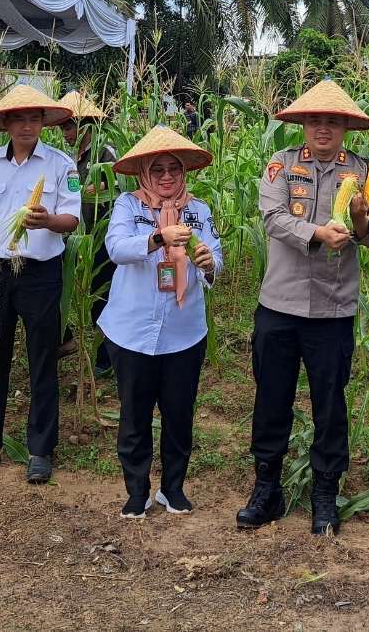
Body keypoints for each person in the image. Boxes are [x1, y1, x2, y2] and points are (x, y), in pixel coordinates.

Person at [237, 79, 369, 534]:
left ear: (345, 127)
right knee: (271, 398)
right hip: (279, 304)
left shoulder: (365, 173)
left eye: (333, 121)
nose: (323, 128)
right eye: (315, 120)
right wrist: (318, 233)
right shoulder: (279, 166)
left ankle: (326, 491)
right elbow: (273, 218)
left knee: (329, 402)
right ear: (303, 123)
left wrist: (360, 221)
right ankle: (267, 487)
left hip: (333, 308)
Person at [0, 85, 79, 484]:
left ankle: (40, 450)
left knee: (42, 360)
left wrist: (47, 221)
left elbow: (73, 220)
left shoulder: (61, 166)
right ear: (6, 123)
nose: (28, 125)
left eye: (35, 118)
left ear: (43, 124)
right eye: (20, 118)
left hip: (41, 274)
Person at [98, 125, 222, 519]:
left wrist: (209, 264)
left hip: (184, 332)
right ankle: (137, 492)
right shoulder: (127, 206)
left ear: (184, 171)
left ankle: (173, 488)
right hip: (132, 331)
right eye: (158, 169)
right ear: (144, 173)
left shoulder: (199, 211)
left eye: (173, 168)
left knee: (179, 413)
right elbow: (116, 248)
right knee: (134, 415)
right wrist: (157, 237)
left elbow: (216, 258)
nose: (167, 176)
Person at [56, 91, 118, 375]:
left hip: (103, 235)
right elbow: (74, 192)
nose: (66, 133)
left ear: (86, 125)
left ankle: (106, 358)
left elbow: (113, 184)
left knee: (102, 295)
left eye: (69, 126)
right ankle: (66, 338)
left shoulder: (106, 151)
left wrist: (83, 192)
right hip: (79, 235)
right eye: (63, 127)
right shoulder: (73, 159)